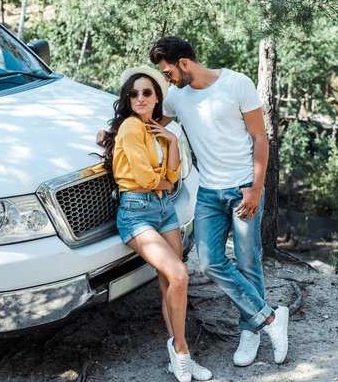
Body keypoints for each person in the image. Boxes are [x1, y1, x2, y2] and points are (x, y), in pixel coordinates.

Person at [149, 36, 289, 366]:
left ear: (184, 64)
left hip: (243, 187)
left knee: (247, 261)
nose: (167, 80)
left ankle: (250, 330)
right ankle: (268, 318)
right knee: (210, 261)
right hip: (209, 193)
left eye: (168, 73)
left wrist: (256, 188)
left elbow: (260, 138)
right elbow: (150, 126)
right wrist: (112, 133)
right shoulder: (176, 98)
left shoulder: (236, 84)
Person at [101, 65, 212, 382]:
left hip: (164, 211)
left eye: (146, 92)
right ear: (127, 98)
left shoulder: (157, 130)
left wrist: (173, 142)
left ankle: (180, 352)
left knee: (170, 282)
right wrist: (160, 182)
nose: (139, 97)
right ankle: (181, 354)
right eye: (133, 93)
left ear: (156, 98)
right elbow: (145, 177)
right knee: (179, 274)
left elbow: (173, 175)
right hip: (136, 212)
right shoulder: (131, 128)